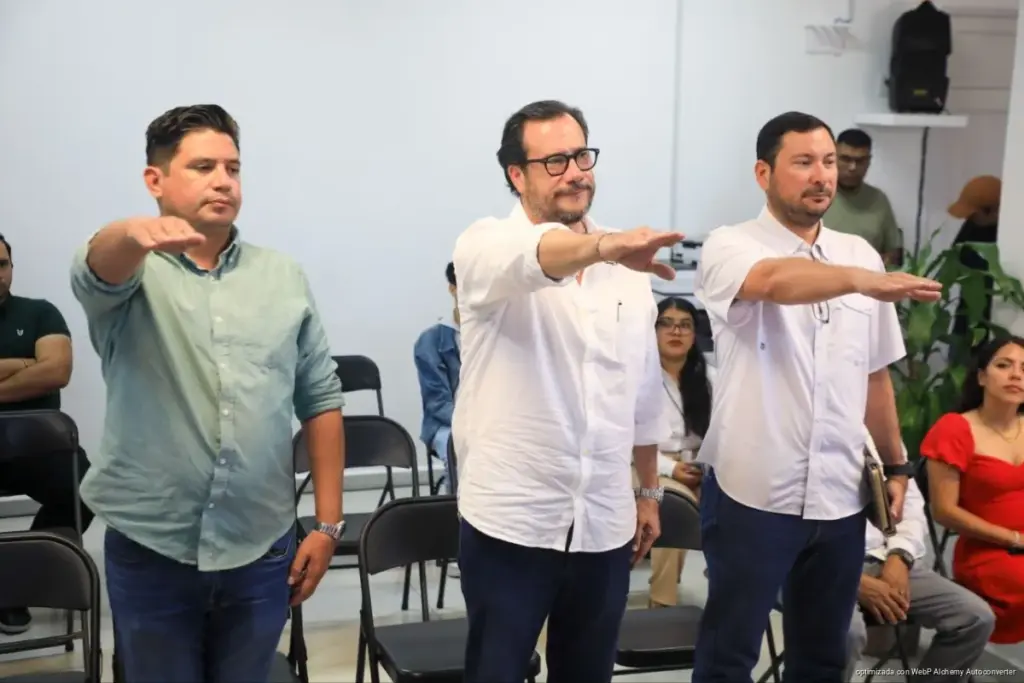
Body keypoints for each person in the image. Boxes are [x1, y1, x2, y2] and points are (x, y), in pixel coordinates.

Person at [69, 104, 346, 683]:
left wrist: (327, 525)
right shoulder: (132, 273)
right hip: (153, 550)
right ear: (156, 180)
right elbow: (97, 266)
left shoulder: (282, 276)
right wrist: (132, 233)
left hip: (261, 547)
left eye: (232, 168)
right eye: (202, 167)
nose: (223, 181)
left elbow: (320, 398)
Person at [692, 111, 942, 682]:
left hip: (840, 494)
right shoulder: (731, 245)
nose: (822, 175)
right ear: (763, 173)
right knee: (730, 653)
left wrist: (897, 465)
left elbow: (874, 376)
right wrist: (860, 281)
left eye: (828, 162)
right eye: (804, 162)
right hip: (753, 492)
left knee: (823, 656)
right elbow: (774, 282)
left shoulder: (860, 253)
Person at [452, 99, 682, 683]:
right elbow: (537, 257)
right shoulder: (485, 244)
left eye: (582, 156)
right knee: (496, 672)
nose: (575, 172)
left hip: (603, 519)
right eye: (555, 161)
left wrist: (648, 490)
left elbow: (641, 390)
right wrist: (605, 248)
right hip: (513, 519)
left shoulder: (627, 264)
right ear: (516, 174)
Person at [846, 433, 994, 682]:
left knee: (975, 618)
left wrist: (900, 557)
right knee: (845, 633)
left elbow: (910, 507)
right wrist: (851, 581)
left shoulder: (879, 434)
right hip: (816, 569)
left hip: (882, 555)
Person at [0, 233, 89, 635]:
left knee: (86, 488)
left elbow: (56, 371)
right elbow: (40, 368)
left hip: (37, 448)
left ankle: (14, 585)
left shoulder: (40, 313)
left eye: (2, 264)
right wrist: (23, 364)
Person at [922, 336, 1024, 645]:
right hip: (989, 552)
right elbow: (944, 511)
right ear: (981, 377)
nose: (1016, 375)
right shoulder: (955, 428)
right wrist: (1014, 539)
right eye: (1003, 365)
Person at [642, 296, 713, 608]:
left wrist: (704, 467)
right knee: (672, 505)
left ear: (694, 335)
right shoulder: (638, 377)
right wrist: (672, 470)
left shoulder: (710, 378)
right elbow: (631, 442)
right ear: (653, 331)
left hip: (700, 465)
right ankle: (662, 603)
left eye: (685, 325)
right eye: (667, 324)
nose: (676, 331)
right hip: (649, 465)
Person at [414, 261, 461, 494]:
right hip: (447, 424)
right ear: (452, 288)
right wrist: (474, 425)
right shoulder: (431, 341)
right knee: (460, 450)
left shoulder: (496, 333)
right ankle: (456, 510)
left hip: (491, 422)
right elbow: (438, 404)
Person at [823, 128, 903, 265]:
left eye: (860, 161)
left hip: (867, 276)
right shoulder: (815, 196)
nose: (852, 167)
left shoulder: (878, 199)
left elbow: (894, 252)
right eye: (845, 159)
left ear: (869, 162)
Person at [949, 175, 1002, 342]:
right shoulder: (972, 225)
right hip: (965, 315)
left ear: (992, 211)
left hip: (993, 319)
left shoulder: (1007, 237)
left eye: (974, 214)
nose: (968, 218)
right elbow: (954, 259)